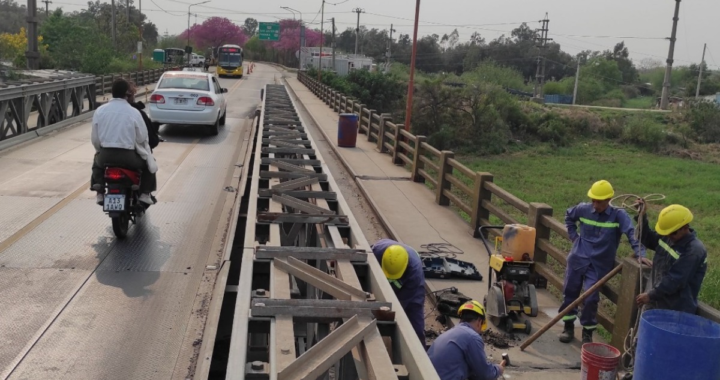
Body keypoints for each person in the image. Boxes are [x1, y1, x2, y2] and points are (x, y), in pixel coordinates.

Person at [560, 180, 649, 344]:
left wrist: (640, 253)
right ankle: (568, 326)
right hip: (578, 259)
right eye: (593, 200)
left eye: (599, 201)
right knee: (570, 292)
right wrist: (574, 237)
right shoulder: (583, 209)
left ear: (608, 200)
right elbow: (569, 216)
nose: (595, 204)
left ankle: (587, 332)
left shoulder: (619, 215)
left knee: (591, 298)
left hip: (599, 264)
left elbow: (632, 234)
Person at [91, 78, 158, 206]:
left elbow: (95, 139)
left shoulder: (100, 111)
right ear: (126, 93)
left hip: (106, 155)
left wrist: (100, 150)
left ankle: (99, 192)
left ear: (112, 92)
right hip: (129, 157)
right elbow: (142, 138)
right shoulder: (134, 112)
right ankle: (144, 194)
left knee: (96, 163)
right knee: (149, 165)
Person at [635, 202, 707, 313]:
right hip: (656, 303)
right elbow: (646, 238)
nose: (668, 236)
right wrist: (642, 216)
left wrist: (651, 295)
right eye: (667, 232)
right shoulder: (668, 237)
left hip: (674, 311)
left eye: (672, 233)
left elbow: (675, 279)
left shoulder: (694, 251)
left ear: (685, 227)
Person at [427, 300, 505, 380]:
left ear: (461, 319)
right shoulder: (472, 337)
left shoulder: (449, 333)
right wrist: (498, 369)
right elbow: (485, 374)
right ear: (479, 322)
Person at [371, 239, 426, 346]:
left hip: (411, 283)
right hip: (385, 259)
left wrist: (385, 316)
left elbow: (399, 306)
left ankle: (419, 349)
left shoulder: (414, 274)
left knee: (414, 318)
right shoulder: (377, 251)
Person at [126, 82, 161, 152]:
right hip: (129, 155)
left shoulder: (102, 112)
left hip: (104, 156)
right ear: (131, 95)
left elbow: (97, 141)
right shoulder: (138, 113)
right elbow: (150, 140)